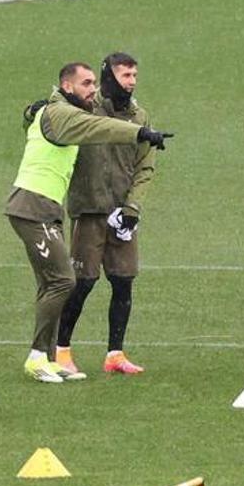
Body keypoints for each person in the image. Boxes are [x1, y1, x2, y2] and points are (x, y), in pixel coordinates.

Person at [6, 62, 171, 383]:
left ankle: (50, 356)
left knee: (57, 282)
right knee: (66, 282)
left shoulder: (66, 110)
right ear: (68, 87)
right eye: (86, 83)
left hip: (47, 207)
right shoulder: (61, 113)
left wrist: (132, 205)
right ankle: (40, 356)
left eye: (94, 83)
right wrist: (139, 133)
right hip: (33, 206)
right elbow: (100, 128)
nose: (92, 89)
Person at [57, 53, 156, 376]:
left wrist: (132, 208)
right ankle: (61, 351)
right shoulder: (84, 110)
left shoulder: (139, 116)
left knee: (123, 282)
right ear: (109, 77)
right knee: (82, 283)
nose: (132, 81)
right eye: (126, 75)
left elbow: (145, 166)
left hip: (122, 214)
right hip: (89, 211)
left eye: (135, 75)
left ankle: (115, 353)